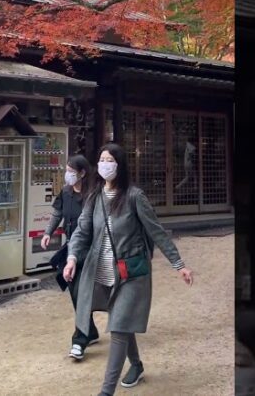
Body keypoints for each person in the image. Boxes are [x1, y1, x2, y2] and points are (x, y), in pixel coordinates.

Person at [63, 143, 194, 395]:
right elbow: (82, 231)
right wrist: (71, 258)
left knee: (119, 327)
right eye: (101, 159)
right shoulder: (94, 196)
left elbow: (156, 231)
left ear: (119, 165)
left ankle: (106, 392)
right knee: (121, 321)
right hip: (104, 270)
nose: (104, 164)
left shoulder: (135, 196)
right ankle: (136, 365)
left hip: (132, 271)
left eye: (109, 160)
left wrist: (179, 265)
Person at [40, 154, 100, 358]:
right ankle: (89, 330)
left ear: (82, 173)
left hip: (91, 249)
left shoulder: (93, 196)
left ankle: (80, 339)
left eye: (71, 172)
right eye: (66, 171)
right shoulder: (66, 192)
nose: (67, 175)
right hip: (71, 247)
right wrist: (48, 232)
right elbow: (57, 214)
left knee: (81, 291)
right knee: (75, 290)